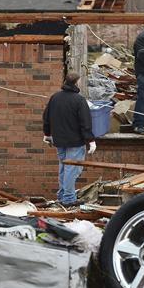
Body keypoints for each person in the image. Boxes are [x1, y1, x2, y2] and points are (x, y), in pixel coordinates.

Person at [42, 71, 96, 205]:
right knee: (71, 170)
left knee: (63, 168)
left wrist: (47, 134)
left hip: (59, 140)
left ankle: (62, 195)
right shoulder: (79, 100)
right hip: (75, 142)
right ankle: (68, 198)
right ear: (76, 83)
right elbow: (85, 123)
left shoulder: (55, 97)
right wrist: (91, 140)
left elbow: (46, 118)